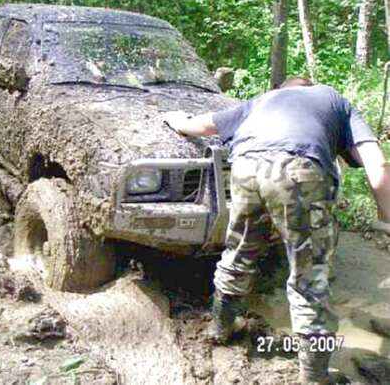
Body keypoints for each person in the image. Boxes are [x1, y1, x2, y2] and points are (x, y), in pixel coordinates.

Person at [162, 77, 390, 385]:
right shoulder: (334, 99)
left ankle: (220, 328)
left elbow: (198, 126)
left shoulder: (263, 101)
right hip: (298, 169)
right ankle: (314, 376)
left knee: (240, 250)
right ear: (310, 87)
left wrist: (177, 120)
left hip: (245, 167)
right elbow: (376, 163)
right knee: (310, 276)